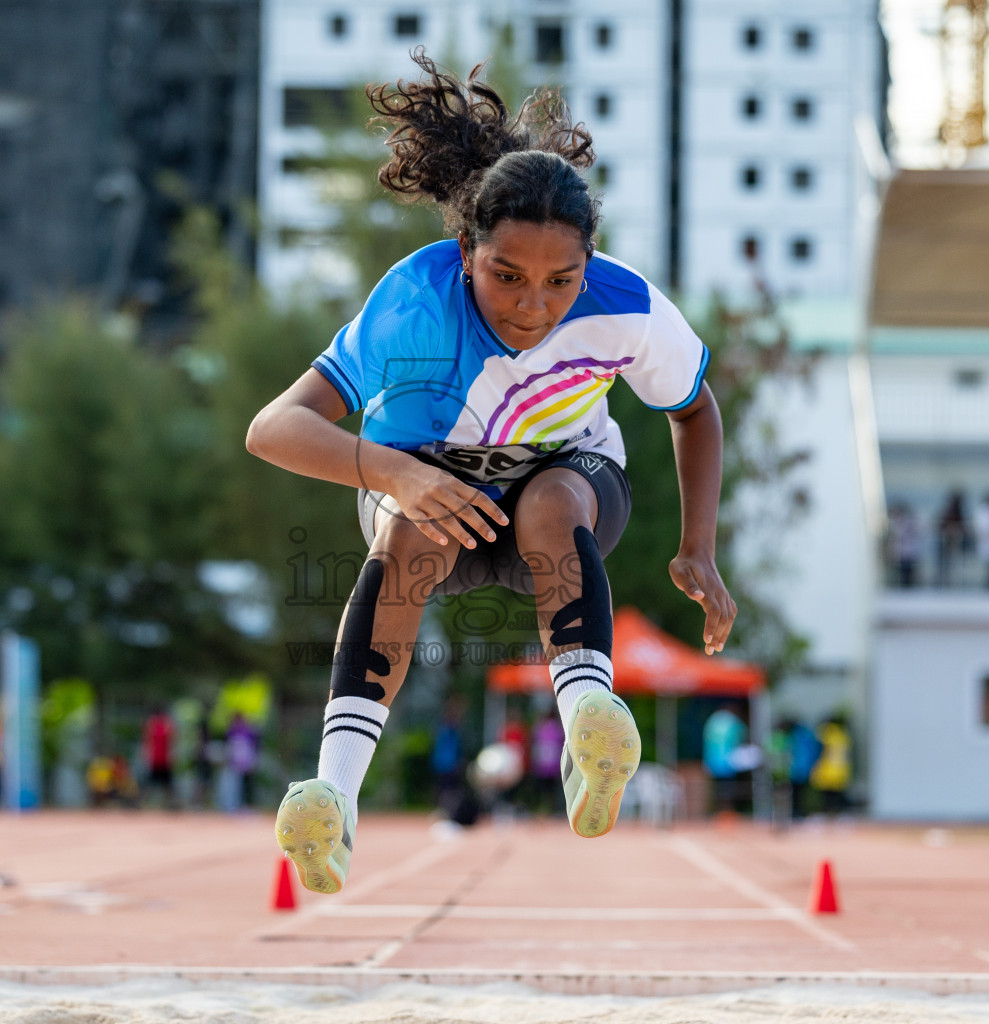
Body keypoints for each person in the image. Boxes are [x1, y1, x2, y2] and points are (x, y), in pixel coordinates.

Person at [249, 54, 735, 894]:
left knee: (551, 498)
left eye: (560, 282)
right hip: (430, 492)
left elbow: (694, 409)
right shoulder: (414, 300)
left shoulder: (627, 307)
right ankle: (336, 796)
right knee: (407, 534)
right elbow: (273, 428)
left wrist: (699, 548)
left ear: (590, 264)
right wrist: (396, 474)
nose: (533, 307)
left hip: (570, 490)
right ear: (465, 249)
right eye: (505, 276)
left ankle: (590, 724)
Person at [702, 704, 746, 814]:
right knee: (729, 787)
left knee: (717, 787)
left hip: (713, 761)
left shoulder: (712, 720)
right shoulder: (732, 721)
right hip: (728, 761)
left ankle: (719, 810)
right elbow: (741, 737)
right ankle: (727, 811)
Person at [811, 715, 852, 817]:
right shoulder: (842, 734)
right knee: (837, 794)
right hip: (841, 769)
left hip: (827, 768)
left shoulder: (826, 733)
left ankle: (828, 813)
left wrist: (816, 766)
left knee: (827, 794)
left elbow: (821, 751)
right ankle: (837, 813)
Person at [142, 706, 176, 807]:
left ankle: (169, 803)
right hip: (158, 758)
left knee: (165, 783)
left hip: (160, 758)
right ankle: (146, 802)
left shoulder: (156, 724)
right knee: (156, 782)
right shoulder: (160, 724)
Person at [935, 489, 968, 587]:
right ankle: (943, 582)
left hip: (955, 542)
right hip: (946, 541)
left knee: (953, 564)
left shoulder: (957, 510)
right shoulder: (949, 510)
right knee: (945, 564)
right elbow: (941, 526)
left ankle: (952, 583)